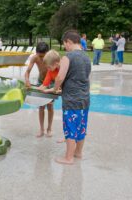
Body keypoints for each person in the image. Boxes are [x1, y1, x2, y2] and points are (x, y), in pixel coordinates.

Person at [52, 30, 91, 165]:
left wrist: (55, 88)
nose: (65, 48)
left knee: (70, 128)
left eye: (65, 45)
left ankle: (68, 158)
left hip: (71, 100)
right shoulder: (87, 57)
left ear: (69, 41)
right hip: (85, 99)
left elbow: (60, 77)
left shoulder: (67, 57)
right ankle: (78, 153)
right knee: (81, 127)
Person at [25, 42, 54, 137]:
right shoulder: (35, 57)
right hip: (41, 81)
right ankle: (41, 129)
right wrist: (27, 80)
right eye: (40, 56)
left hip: (51, 82)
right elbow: (27, 71)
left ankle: (49, 128)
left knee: (50, 106)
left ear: (48, 52)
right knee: (41, 106)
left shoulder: (52, 58)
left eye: (43, 56)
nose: (41, 58)